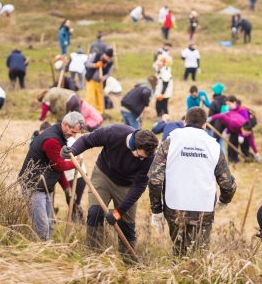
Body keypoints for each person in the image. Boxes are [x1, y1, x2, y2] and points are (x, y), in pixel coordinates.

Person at [149, 107, 236, 256]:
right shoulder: (214, 146)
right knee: (199, 256)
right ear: (204, 125)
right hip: (203, 209)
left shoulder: (169, 143)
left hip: (174, 207)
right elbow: (227, 182)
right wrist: (224, 199)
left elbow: (154, 180)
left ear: (184, 122)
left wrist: (156, 209)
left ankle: (178, 276)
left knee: (179, 252)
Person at [62, 125, 160, 259]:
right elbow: (86, 140)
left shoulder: (149, 156)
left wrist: (119, 211)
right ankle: (94, 257)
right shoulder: (113, 133)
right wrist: (72, 151)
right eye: (139, 155)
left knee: (127, 225)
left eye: (144, 157)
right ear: (132, 145)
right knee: (95, 213)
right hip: (104, 175)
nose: (141, 159)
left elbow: (139, 185)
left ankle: (129, 264)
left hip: (127, 184)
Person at [20, 112, 85, 241]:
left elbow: (54, 167)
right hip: (34, 186)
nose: (74, 135)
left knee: (50, 225)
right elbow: (58, 166)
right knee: (42, 228)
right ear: (65, 125)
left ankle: (47, 251)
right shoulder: (52, 140)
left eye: (77, 133)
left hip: (45, 185)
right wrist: (74, 164)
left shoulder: (59, 136)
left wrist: (66, 187)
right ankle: (42, 255)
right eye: (73, 132)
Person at [209, 96, 261, 163]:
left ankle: (249, 157)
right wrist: (227, 132)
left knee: (244, 146)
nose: (228, 106)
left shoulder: (242, 110)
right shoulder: (231, 112)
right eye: (227, 104)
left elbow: (246, 124)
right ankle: (233, 160)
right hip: (236, 129)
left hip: (244, 130)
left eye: (229, 104)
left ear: (234, 102)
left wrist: (242, 135)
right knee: (233, 142)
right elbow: (228, 122)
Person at [85, 48, 113, 114]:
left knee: (100, 99)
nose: (108, 59)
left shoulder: (110, 63)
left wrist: (104, 77)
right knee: (90, 97)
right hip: (91, 80)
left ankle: (99, 113)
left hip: (100, 83)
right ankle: (88, 113)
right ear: (104, 54)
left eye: (110, 58)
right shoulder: (96, 56)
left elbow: (109, 74)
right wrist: (95, 65)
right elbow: (87, 64)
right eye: (107, 57)